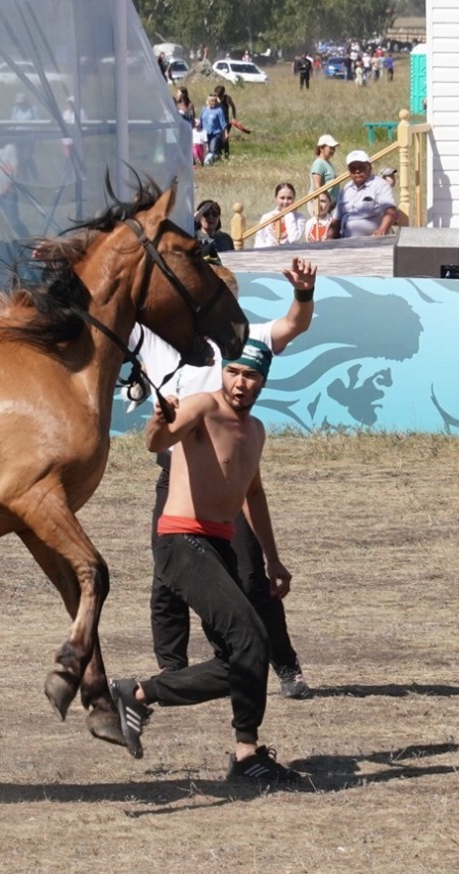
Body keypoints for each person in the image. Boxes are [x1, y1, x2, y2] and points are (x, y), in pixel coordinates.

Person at [107, 340, 307, 789]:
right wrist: (159, 422)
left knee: (242, 657)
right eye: (234, 372)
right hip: (181, 540)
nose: (240, 382)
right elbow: (156, 442)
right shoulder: (200, 407)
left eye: (250, 375)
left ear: (263, 380)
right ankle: (244, 752)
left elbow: (252, 494)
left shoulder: (255, 430)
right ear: (223, 373)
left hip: (219, 543)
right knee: (252, 639)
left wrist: (273, 559)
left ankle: (139, 696)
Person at [130, 259, 320, 701]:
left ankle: (286, 665)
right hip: (177, 474)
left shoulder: (246, 337)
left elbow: (295, 323)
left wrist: (304, 294)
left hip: (230, 478)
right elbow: (116, 314)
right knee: (167, 579)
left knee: (253, 575)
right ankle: (172, 672)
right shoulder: (161, 344)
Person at [336, 149, 397, 238]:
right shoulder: (345, 189)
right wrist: (328, 240)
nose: (357, 171)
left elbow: (390, 210)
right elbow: (336, 220)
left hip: (371, 242)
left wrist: (382, 230)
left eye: (361, 167)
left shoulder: (380, 185)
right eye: (353, 168)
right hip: (346, 241)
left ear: (369, 167)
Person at [255, 182, 307, 248]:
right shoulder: (267, 217)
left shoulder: (300, 218)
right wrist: (270, 246)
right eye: (282, 198)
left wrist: (289, 214)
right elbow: (258, 243)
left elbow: (294, 240)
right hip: (268, 254)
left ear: (294, 199)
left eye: (289, 198)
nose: (285, 201)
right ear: (276, 199)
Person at [309, 134, 340, 213]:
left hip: (330, 205)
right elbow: (317, 186)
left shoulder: (327, 163)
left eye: (334, 148)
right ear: (321, 148)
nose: (333, 150)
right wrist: (326, 201)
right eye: (330, 148)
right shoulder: (319, 163)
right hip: (322, 205)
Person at [201, 95, 227, 165]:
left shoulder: (219, 110)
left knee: (212, 149)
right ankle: (205, 162)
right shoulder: (204, 109)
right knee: (205, 149)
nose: (214, 102)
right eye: (212, 101)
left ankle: (210, 163)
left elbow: (223, 123)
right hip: (205, 133)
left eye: (215, 101)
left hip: (215, 133)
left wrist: (225, 134)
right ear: (208, 101)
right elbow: (200, 120)